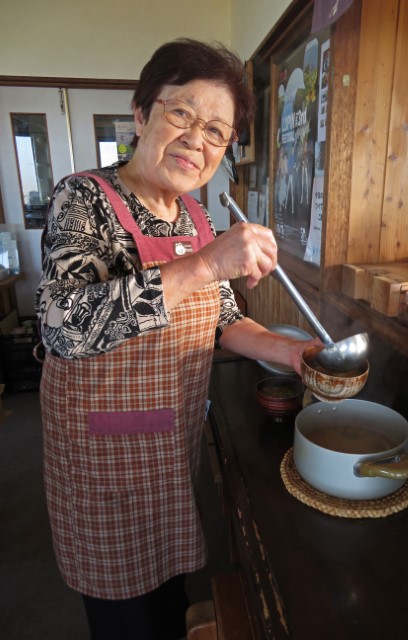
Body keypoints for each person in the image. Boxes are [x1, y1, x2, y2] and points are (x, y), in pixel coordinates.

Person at [35, 38, 322, 640]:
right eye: (182, 114)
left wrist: (291, 351)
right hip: (100, 456)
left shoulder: (195, 217)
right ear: (142, 113)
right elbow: (63, 324)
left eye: (217, 131)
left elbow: (221, 318)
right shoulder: (82, 198)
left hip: (167, 443)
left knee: (168, 591)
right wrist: (206, 264)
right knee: (125, 615)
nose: (199, 139)